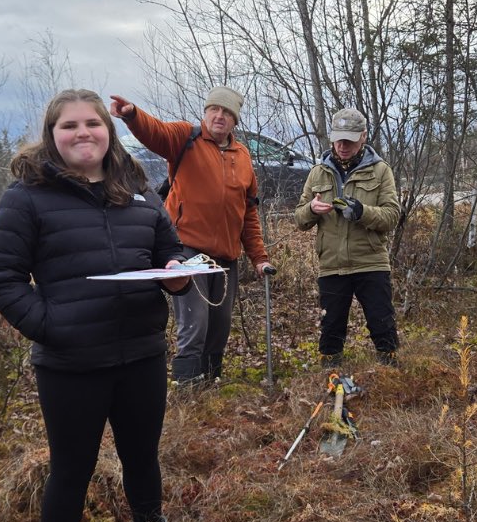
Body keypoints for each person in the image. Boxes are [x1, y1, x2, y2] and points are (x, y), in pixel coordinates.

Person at [0, 89, 190, 522]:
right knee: (71, 469)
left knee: (142, 456)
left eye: (93, 124)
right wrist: (52, 327)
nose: (83, 134)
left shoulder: (138, 189)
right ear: (52, 134)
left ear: (108, 131)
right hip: (71, 365)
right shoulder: (26, 197)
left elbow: (169, 255)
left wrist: (178, 278)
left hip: (141, 355)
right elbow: (1, 279)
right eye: (69, 126)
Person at [110, 87, 274, 384]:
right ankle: (187, 385)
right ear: (206, 111)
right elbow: (155, 132)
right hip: (187, 249)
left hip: (226, 256)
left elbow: (248, 213)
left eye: (226, 112)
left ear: (235, 120)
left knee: (220, 324)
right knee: (194, 321)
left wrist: (259, 257)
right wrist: (132, 115)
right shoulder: (185, 138)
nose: (219, 116)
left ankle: (210, 382)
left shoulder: (243, 156)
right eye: (214, 109)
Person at [294, 107, 401, 366]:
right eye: (339, 139)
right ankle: (329, 375)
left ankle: (392, 377)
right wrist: (311, 209)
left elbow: (391, 216)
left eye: (350, 140)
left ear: (363, 136)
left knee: (382, 324)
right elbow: (299, 219)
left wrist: (362, 212)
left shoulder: (380, 171)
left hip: (371, 261)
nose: (343, 145)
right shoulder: (317, 172)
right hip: (332, 264)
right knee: (331, 329)